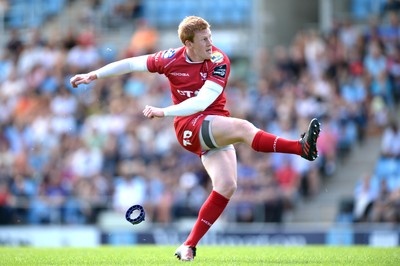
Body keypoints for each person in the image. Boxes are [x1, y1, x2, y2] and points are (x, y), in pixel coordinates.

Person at [70, 16, 321, 261]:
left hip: (213, 122)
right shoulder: (170, 59)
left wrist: (163, 111)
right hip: (188, 126)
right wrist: (94, 75)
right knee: (244, 129)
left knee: (226, 186)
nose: (210, 44)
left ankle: (188, 245)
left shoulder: (219, 59)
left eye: (210, 37)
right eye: (203, 40)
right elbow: (132, 63)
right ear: (188, 44)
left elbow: (203, 101)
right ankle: (301, 148)